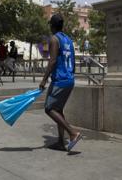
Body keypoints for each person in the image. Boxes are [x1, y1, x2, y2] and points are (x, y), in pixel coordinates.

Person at [39, 14, 82, 152]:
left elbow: (52, 61)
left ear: (52, 26)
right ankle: (60, 142)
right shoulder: (68, 40)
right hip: (69, 79)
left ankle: (72, 133)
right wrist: (70, 75)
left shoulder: (54, 39)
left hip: (60, 80)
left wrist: (44, 79)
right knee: (58, 110)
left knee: (49, 109)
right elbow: (73, 62)